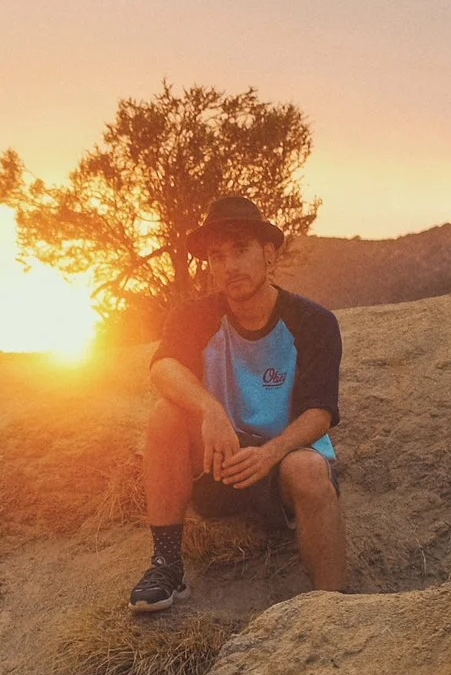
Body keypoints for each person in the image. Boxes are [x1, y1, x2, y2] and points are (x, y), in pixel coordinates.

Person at [131, 194, 346, 610]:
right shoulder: (194, 316)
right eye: (216, 256)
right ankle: (166, 565)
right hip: (221, 461)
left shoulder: (314, 323)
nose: (229, 266)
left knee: (307, 468)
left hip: (282, 462)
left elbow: (320, 412)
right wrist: (210, 410)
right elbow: (163, 368)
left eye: (241, 250)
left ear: (268, 253)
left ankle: (333, 607)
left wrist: (270, 453)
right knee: (166, 415)